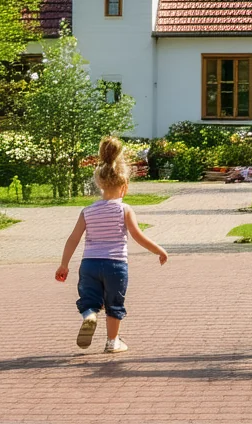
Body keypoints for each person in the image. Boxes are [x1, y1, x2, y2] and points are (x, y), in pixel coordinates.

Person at [55, 136, 168, 354]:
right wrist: (158, 250)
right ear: (125, 186)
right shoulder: (124, 209)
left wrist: (64, 265)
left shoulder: (87, 211)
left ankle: (89, 314)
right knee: (114, 303)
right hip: (115, 265)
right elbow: (137, 235)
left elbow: (73, 239)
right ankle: (112, 342)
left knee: (90, 299)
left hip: (89, 264)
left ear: (99, 184)